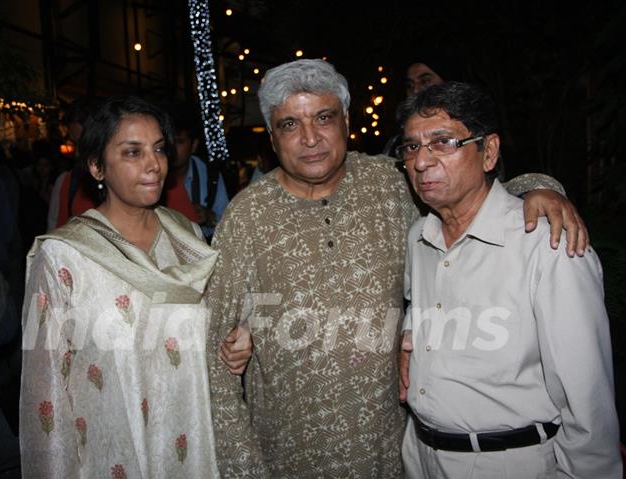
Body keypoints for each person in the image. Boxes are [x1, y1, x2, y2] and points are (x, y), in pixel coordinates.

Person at [205, 59, 589, 478]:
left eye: (323, 117)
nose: (310, 138)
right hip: (289, 456)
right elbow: (213, 357)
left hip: (394, 452)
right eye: (290, 125)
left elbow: (465, 192)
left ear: (346, 122)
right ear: (273, 138)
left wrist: (539, 187)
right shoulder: (246, 217)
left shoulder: (390, 183)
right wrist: (243, 468)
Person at [396, 81, 621, 478]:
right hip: (421, 456)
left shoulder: (547, 243)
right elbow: (427, 311)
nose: (421, 161)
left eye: (443, 142)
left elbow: (586, 397)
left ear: (490, 151)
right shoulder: (419, 237)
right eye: (411, 146)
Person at [19, 96, 242, 478]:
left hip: (191, 444)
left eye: (158, 149)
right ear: (96, 166)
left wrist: (234, 344)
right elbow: (47, 391)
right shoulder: (65, 257)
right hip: (114, 452)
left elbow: (210, 331)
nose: (153, 164)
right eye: (132, 152)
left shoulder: (186, 238)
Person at [162, 105, 229, 242]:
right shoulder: (152, 173)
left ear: (194, 145)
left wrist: (210, 217)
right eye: (168, 141)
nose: (172, 148)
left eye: (179, 141)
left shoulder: (211, 176)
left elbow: (230, 225)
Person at [46, 98, 100, 231]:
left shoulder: (122, 180)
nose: (76, 153)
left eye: (82, 143)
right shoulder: (66, 182)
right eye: (74, 144)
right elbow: (54, 233)